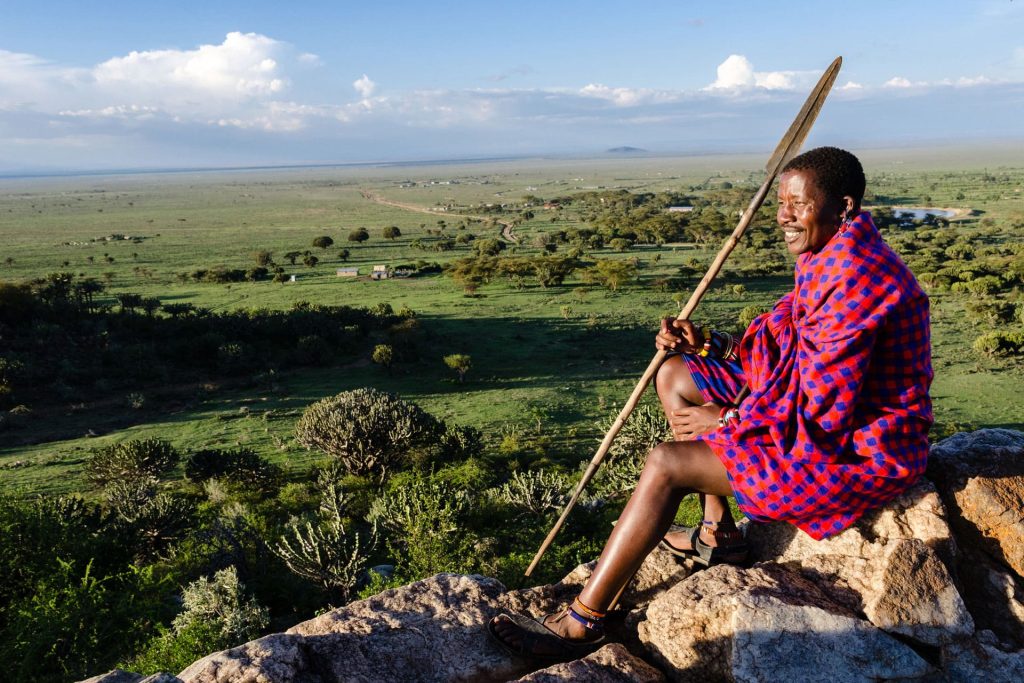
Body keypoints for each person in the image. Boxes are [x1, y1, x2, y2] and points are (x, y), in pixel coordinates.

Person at [488, 146, 933, 660]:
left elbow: (822, 410)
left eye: (799, 204)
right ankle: (718, 533)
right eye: (781, 202)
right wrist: (706, 346)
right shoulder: (826, 256)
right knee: (677, 374)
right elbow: (786, 358)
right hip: (814, 420)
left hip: (855, 452)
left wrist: (727, 419)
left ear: (844, 206)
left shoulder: (857, 279)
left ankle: (583, 623)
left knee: (666, 464)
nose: (784, 216)